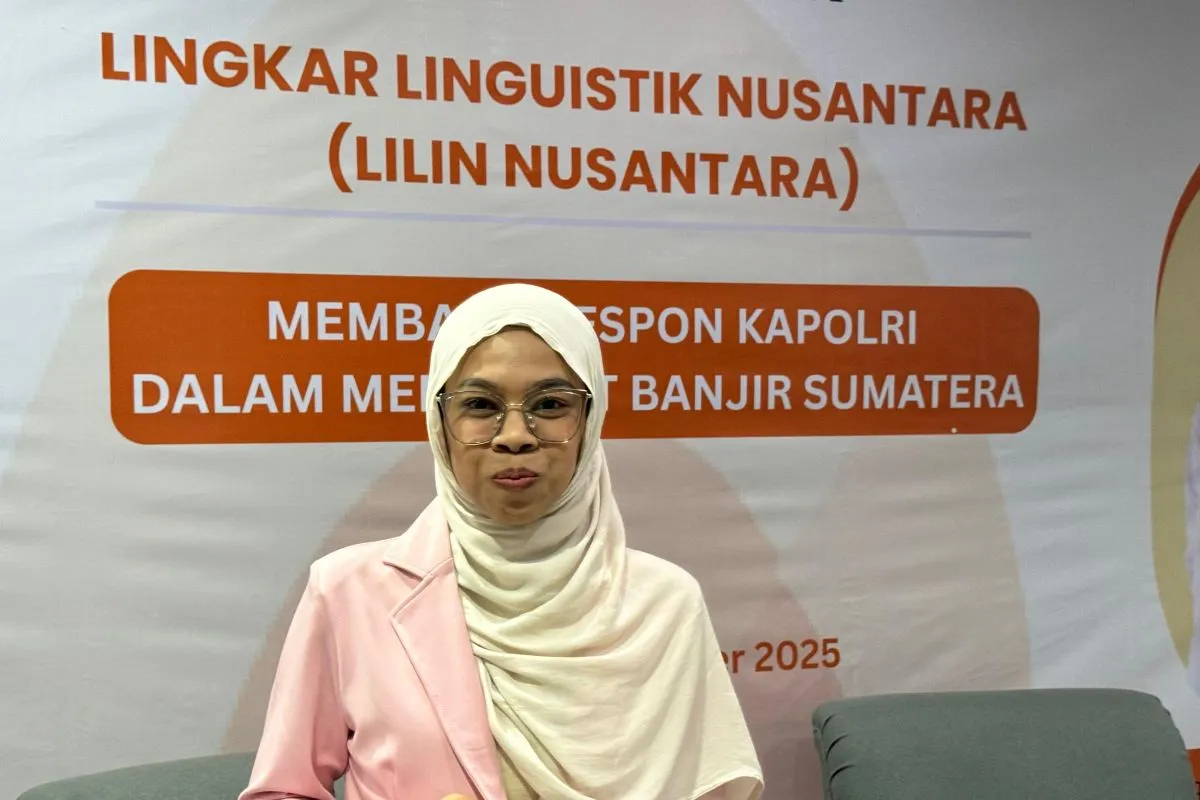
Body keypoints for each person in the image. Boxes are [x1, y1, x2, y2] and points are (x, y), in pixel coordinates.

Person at [239, 283, 763, 800]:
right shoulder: (348, 592)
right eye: (481, 404)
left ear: (591, 420)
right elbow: (280, 792)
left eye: (550, 404)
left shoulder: (667, 604)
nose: (515, 435)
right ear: (439, 421)